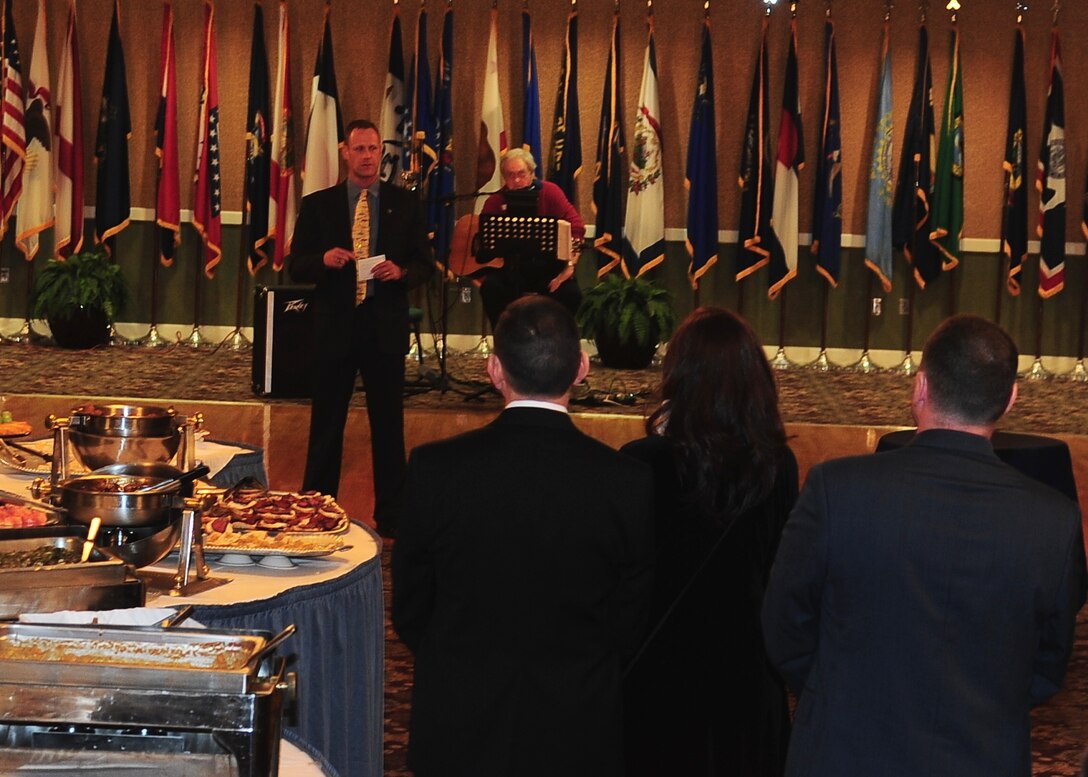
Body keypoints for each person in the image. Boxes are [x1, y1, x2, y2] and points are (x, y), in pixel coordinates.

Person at [762, 314, 1088, 777]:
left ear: (919, 388)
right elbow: (1049, 664)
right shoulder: (1055, 520)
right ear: (1011, 400)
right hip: (982, 756)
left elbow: (783, 624)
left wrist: (836, 691)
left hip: (845, 750)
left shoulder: (838, 489)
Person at [392, 295, 654, 777]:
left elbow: (410, 605)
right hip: (577, 725)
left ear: (494, 370)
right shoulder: (626, 482)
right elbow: (630, 616)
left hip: (459, 719)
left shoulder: (436, 470)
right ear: (581, 368)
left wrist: (460, 655)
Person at [620, 307, 796, 777]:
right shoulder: (776, 464)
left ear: (676, 375)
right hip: (745, 670)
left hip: (658, 672)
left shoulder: (641, 461)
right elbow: (780, 571)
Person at [288, 118, 432, 538]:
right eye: (360, 149)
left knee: (388, 426)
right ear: (345, 153)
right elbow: (295, 265)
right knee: (326, 424)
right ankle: (317, 506)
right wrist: (323, 260)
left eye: (373, 150)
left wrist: (400, 271)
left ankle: (392, 515)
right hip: (336, 327)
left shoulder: (404, 205)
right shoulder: (319, 205)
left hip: (383, 328)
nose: (368, 157)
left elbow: (426, 265)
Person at [478, 148, 585, 327]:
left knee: (571, 294)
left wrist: (569, 267)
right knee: (491, 288)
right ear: (504, 178)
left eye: (521, 174)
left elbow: (577, 229)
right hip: (510, 270)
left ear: (532, 173)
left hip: (548, 269)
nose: (517, 180)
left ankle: (556, 345)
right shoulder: (495, 201)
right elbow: (483, 241)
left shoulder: (550, 192)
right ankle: (505, 343)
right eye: (511, 176)